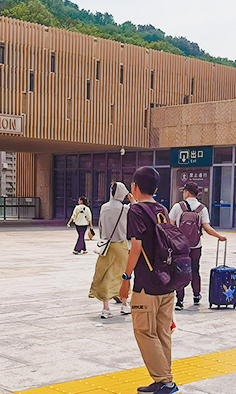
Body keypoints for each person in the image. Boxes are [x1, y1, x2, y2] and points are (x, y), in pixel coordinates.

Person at [120, 167, 179, 394]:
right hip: (167, 282)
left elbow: (136, 247)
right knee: (162, 332)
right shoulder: (162, 209)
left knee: (144, 331)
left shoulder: (135, 211)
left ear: (134, 186)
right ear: (155, 188)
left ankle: (165, 381)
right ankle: (163, 380)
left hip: (147, 283)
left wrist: (126, 278)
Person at [169, 181, 227, 310]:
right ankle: (196, 296)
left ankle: (180, 301)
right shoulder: (202, 208)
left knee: (179, 271)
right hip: (196, 246)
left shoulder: (178, 207)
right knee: (195, 270)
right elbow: (207, 228)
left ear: (187, 193)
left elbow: (170, 225)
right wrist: (220, 237)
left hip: (180, 246)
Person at [90, 182, 132, 318]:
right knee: (123, 276)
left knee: (106, 276)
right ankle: (124, 305)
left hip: (106, 245)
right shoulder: (125, 208)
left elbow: (101, 226)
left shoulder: (104, 207)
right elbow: (139, 210)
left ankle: (106, 308)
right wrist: (132, 199)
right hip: (121, 246)